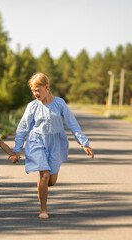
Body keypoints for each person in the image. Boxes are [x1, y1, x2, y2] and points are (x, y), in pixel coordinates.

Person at [11, 73, 94, 219]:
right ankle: (43, 209)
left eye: (38, 90)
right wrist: (17, 150)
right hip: (37, 141)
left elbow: (72, 123)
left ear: (46, 87)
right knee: (44, 174)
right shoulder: (32, 106)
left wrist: (83, 143)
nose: (35, 93)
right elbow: (22, 128)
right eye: (33, 90)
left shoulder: (60, 103)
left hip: (56, 143)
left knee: (51, 180)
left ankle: (42, 186)